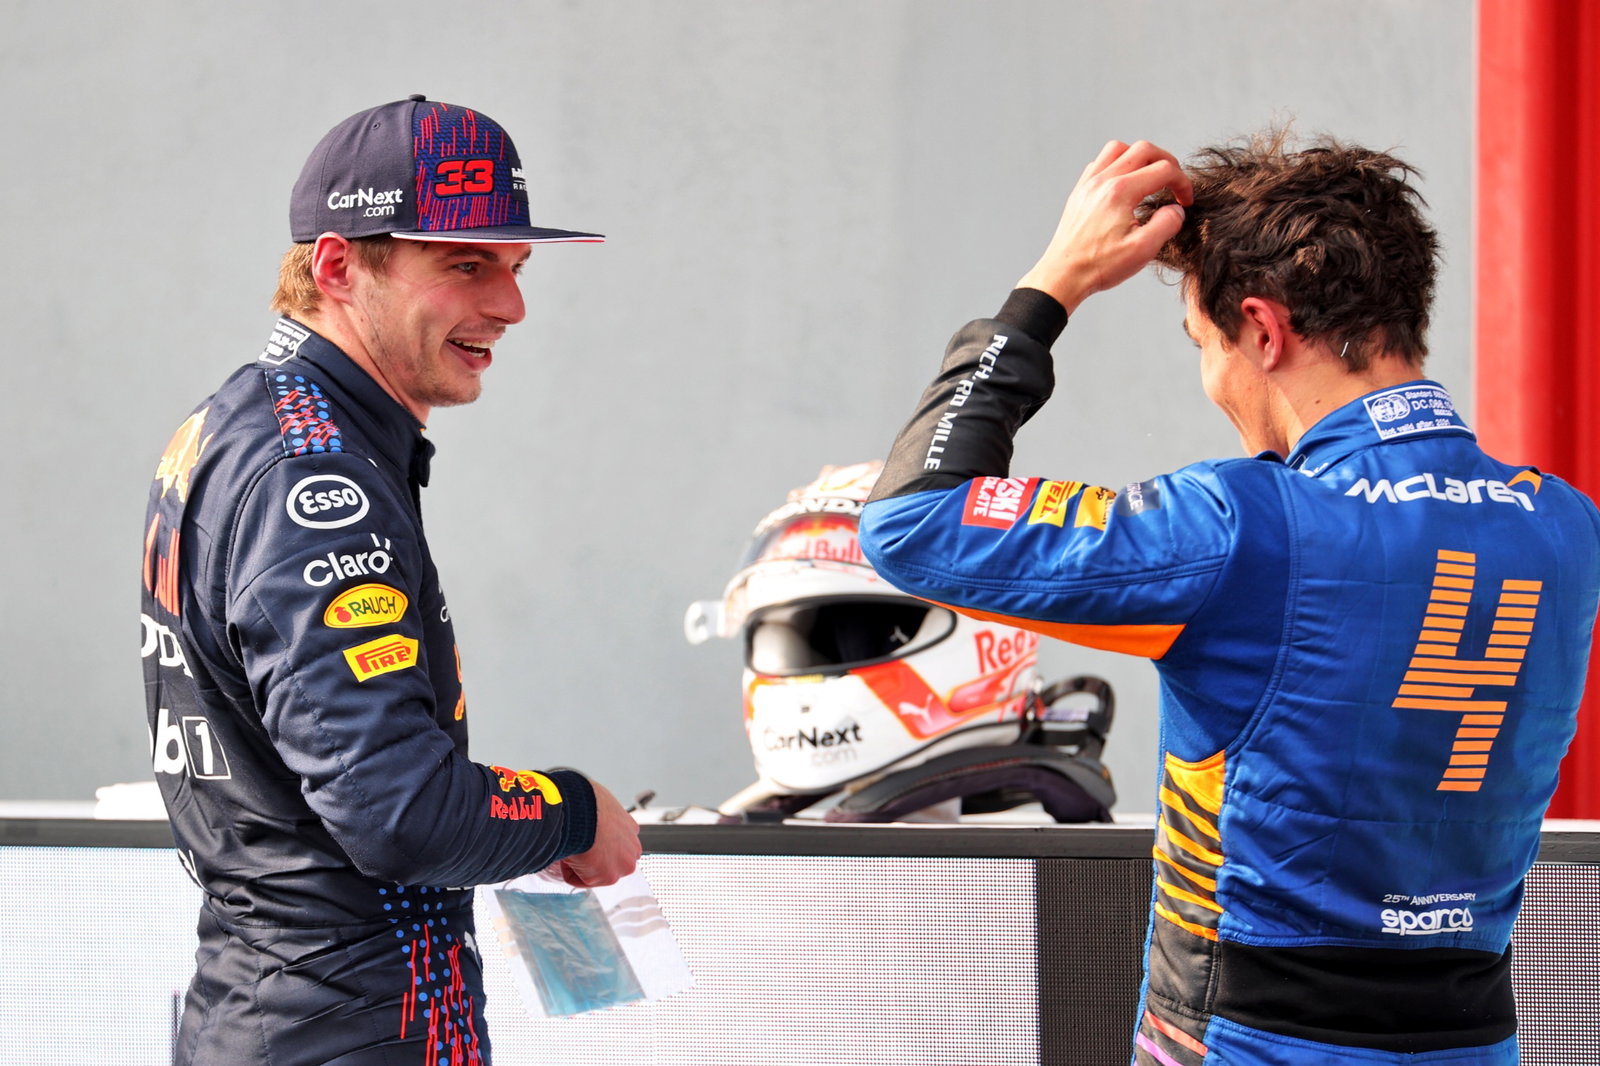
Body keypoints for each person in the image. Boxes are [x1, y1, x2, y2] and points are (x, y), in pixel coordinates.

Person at [857, 134, 1600, 1064]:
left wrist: (1051, 286)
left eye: (1204, 346)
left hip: (1254, 1037)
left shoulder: (1243, 524)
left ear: (1262, 329)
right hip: (1475, 1040)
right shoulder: (1563, 523)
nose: (1213, 382)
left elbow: (912, 524)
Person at [140, 95, 641, 1066]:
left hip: (271, 1010)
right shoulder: (312, 476)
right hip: (352, 1030)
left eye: (514, 266)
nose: (510, 304)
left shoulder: (242, 424)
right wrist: (572, 808)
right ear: (336, 266)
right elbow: (398, 812)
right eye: (465, 264)